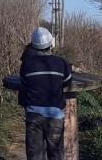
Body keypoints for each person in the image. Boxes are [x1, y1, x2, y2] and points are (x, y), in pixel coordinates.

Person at [19, 27, 72, 160]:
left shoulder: (26, 63)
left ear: (33, 45)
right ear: (50, 44)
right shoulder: (61, 62)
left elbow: (24, 83)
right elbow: (67, 82)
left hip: (33, 114)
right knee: (56, 155)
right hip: (54, 115)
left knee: (35, 155)